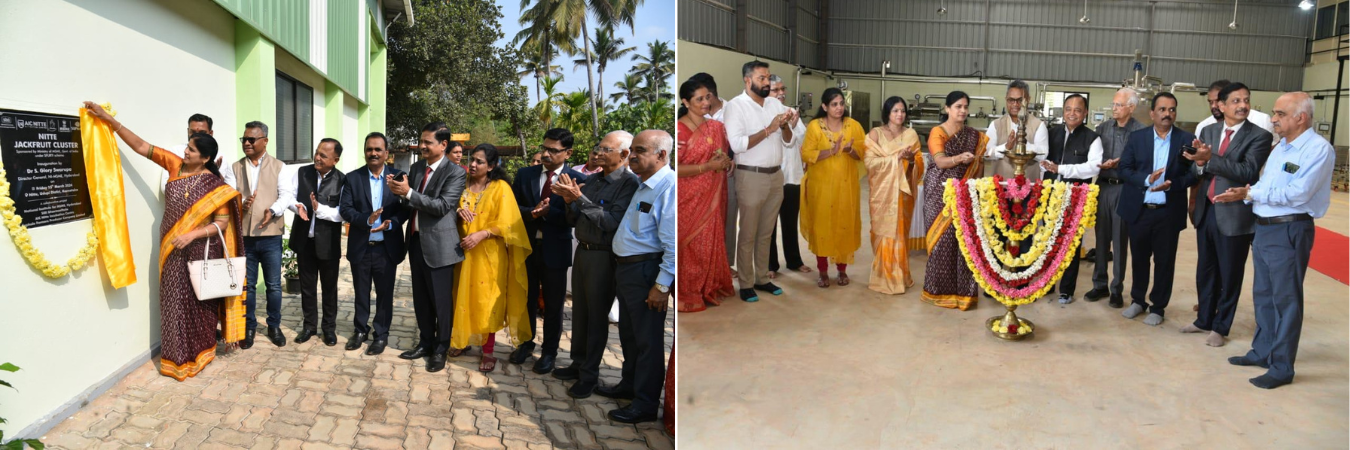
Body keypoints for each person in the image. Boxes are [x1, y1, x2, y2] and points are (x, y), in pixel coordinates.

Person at [82, 102, 244, 381]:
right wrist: (110, 121)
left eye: (191, 149)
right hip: (171, 248)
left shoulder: (217, 187)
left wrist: (192, 234)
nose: (185, 151)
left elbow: (221, 224)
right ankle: (175, 359)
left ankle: (201, 352)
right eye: (187, 146)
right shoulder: (174, 166)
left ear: (205, 158)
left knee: (199, 304)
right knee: (172, 302)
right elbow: (142, 147)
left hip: (200, 250)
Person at [1214, 92, 1334, 389]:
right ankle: (1263, 351)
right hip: (1265, 228)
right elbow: (1266, 185)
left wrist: (1250, 194)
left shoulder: (1318, 150)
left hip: (1290, 229)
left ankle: (1282, 366)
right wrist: (1245, 193)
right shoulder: (1280, 147)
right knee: (1264, 296)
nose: (1274, 119)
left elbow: (1299, 194)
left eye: (1280, 114)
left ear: (1300, 117)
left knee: (1286, 299)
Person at [1182, 82, 1273, 347]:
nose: (1243, 105)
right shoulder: (1208, 130)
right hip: (1207, 209)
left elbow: (1247, 171)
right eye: (1236, 101)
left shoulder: (1259, 136)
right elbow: (1197, 172)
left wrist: (1209, 159)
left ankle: (1221, 327)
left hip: (1234, 213)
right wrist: (1199, 163)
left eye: (1246, 100)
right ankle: (1204, 320)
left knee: (1230, 273)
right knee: (1206, 269)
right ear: (1221, 106)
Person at [552, 131, 639, 398]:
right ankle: (578, 363)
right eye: (598, 147)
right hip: (584, 253)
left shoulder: (628, 184)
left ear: (624, 154)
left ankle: (590, 375)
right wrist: (569, 201)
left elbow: (610, 221)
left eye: (605, 149)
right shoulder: (593, 181)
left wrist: (578, 198)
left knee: (596, 318)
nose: (597, 153)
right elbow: (574, 219)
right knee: (580, 313)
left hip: (604, 256)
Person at [600, 129, 676, 424]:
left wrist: (661, 284)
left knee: (647, 341)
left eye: (640, 150)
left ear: (661, 155)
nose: (632, 156)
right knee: (629, 335)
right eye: (632, 149)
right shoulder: (644, 184)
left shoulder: (667, 187)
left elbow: (671, 242)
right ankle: (629, 385)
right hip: (628, 269)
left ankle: (645, 404)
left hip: (647, 272)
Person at [390, 123, 468, 373]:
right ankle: (425, 342)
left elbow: (442, 206)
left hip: (441, 245)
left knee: (441, 301)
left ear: (443, 145)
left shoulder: (455, 172)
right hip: (415, 241)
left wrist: (409, 193)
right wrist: (399, 192)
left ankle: (440, 348)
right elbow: (410, 202)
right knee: (421, 298)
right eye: (421, 141)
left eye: (428, 142)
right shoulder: (416, 167)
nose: (422, 146)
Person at [723, 60, 803, 302]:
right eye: (762, 78)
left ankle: (762, 278)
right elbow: (738, 145)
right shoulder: (736, 107)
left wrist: (786, 126)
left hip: (775, 175)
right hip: (751, 175)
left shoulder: (773, 105)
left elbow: (788, 142)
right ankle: (746, 283)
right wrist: (770, 129)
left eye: (768, 78)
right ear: (748, 81)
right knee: (748, 232)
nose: (767, 83)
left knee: (766, 232)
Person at [509, 128, 586, 373]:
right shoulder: (525, 174)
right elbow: (511, 207)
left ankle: (550, 352)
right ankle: (526, 342)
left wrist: (549, 212)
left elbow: (576, 217)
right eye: (544, 148)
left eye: (553, 150)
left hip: (556, 249)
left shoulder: (576, 180)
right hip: (528, 247)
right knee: (526, 299)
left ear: (568, 152)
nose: (546, 154)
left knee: (553, 305)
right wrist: (532, 213)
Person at [1117, 92, 1197, 326]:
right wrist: (1146, 179)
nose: (1167, 114)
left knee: (1164, 261)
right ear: (1152, 113)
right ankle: (1138, 301)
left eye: (1172, 110)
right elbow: (1124, 169)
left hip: (1167, 212)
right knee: (1139, 259)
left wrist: (1174, 184)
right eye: (1162, 109)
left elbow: (1191, 175)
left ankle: (1158, 307)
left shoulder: (1186, 139)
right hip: (1140, 211)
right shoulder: (1137, 138)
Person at [451, 144, 533, 373]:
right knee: (462, 297)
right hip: (462, 252)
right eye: (472, 160)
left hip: (489, 255)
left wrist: (483, 233)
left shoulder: (500, 188)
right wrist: (458, 211)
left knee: (487, 302)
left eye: (479, 161)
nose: (473, 165)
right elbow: (448, 206)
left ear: (492, 166)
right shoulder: (462, 184)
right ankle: (463, 340)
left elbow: (509, 224)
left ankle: (488, 352)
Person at [220, 121, 289, 348]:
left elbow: (286, 195)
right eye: (244, 139)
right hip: (245, 237)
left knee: (274, 285)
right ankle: (248, 328)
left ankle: (274, 326)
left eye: (252, 139)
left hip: (271, 236)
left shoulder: (280, 166)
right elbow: (230, 195)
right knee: (247, 286)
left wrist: (274, 210)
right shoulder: (235, 167)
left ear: (265, 141)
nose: (247, 143)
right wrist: (241, 203)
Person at [339, 132, 408, 355]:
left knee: (385, 294)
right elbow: (346, 209)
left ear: (387, 153)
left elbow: (405, 209)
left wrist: (390, 224)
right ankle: (360, 330)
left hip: (386, 248)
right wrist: (365, 220)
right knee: (360, 292)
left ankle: (381, 335)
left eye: (378, 149)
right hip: (361, 245)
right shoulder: (352, 178)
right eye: (369, 149)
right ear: (365, 152)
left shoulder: (398, 177)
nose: (373, 153)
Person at [921, 91, 989, 310]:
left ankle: (963, 294)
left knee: (962, 243)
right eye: (958, 106)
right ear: (947, 108)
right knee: (942, 242)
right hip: (939, 192)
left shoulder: (972, 135)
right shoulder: (937, 132)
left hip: (964, 191)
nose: (962, 111)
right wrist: (959, 158)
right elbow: (940, 162)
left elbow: (980, 162)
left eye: (965, 107)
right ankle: (937, 292)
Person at [1085, 88, 1148, 308]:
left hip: (1124, 188)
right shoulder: (1103, 128)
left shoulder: (1141, 131)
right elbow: (1093, 155)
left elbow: (1143, 162)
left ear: (1131, 107)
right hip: (1103, 186)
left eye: (1118, 105)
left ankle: (1116, 288)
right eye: (1113, 104)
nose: (1114, 108)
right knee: (1101, 238)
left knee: (1120, 240)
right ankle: (1099, 283)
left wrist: (1123, 163)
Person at [676, 77, 735, 312]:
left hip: (713, 195)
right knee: (691, 245)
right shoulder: (679, 130)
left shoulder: (716, 127)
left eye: (707, 97)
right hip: (688, 200)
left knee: (710, 242)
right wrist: (707, 168)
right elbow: (676, 169)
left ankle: (709, 286)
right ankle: (690, 291)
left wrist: (726, 162)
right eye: (699, 99)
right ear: (686, 102)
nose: (705, 102)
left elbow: (724, 156)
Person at [800, 88, 865, 288]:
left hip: (846, 186)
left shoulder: (853, 126)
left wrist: (850, 150)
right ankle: (822, 272)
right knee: (822, 226)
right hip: (820, 186)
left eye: (841, 104)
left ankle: (842, 270)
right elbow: (807, 154)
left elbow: (863, 153)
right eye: (834, 104)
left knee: (843, 224)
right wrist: (831, 151)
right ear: (824, 106)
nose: (839, 108)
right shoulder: (814, 127)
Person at [1041, 94, 1103, 304]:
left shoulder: (1092, 138)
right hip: (1050, 195)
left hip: (1075, 198)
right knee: (1049, 241)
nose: (1072, 113)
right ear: (1063, 111)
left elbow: (1092, 168)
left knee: (1071, 244)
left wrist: (1062, 169)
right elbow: (1041, 158)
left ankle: (1066, 289)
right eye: (1068, 109)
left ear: (1085, 113)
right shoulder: (1051, 133)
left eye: (1077, 110)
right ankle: (1048, 283)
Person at [285, 139, 346, 346]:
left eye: (323, 155)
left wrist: (319, 209)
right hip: (305, 241)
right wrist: (299, 207)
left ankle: (329, 329)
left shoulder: (342, 180)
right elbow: (289, 196)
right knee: (307, 287)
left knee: (329, 288)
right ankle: (309, 326)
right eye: (317, 153)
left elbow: (342, 214)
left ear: (335, 160)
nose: (317, 158)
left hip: (328, 244)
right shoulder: (302, 172)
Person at [863, 96, 924, 294]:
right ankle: (883, 277)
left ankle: (900, 277)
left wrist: (911, 160)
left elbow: (919, 166)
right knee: (882, 232)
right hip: (882, 194)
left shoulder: (911, 134)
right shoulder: (875, 134)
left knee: (899, 234)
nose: (900, 114)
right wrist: (894, 159)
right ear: (887, 113)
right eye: (895, 111)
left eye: (903, 111)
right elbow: (869, 164)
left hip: (903, 192)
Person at [690, 72, 738, 276]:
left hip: (728, 174)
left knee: (727, 218)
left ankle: (725, 265)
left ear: (710, 94)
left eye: (702, 96)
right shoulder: (692, 116)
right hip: (700, 177)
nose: (699, 101)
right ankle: (702, 266)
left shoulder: (734, 110)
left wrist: (731, 158)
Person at [767, 74, 811, 279]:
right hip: (772, 175)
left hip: (792, 175)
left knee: (790, 221)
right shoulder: (762, 113)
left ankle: (794, 260)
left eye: (782, 89)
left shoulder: (792, 113)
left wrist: (792, 125)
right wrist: (787, 128)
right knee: (768, 224)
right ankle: (770, 265)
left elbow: (800, 138)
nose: (781, 93)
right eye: (776, 90)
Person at [985, 80, 1048, 179]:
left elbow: (1043, 154)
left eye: (1020, 100)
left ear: (1028, 99)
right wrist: (1005, 147)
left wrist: (1024, 144)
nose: (1015, 104)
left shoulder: (1038, 125)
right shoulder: (996, 124)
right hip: (1001, 186)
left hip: (1028, 186)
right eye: (1011, 100)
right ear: (1006, 100)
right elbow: (986, 153)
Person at [159, 114, 215, 194]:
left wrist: (217, 177)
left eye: (202, 132)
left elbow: (228, 191)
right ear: (188, 131)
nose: (197, 136)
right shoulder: (175, 152)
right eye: (193, 132)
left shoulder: (220, 157)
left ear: (210, 133)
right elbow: (165, 188)